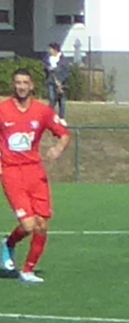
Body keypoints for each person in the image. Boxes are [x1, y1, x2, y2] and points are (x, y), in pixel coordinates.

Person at [0, 68, 69, 284]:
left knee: (42, 224)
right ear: (13, 85)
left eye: (25, 83)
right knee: (28, 225)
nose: (21, 86)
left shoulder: (42, 111)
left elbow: (64, 134)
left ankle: (28, 270)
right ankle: (8, 244)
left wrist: (58, 148)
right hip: (11, 172)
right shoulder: (2, 110)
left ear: (31, 86)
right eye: (18, 82)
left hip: (35, 172)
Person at [43, 42, 69, 117]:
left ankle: (61, 116)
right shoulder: (47, 58)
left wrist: (60, 80)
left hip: (61, 83)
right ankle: (49, 115)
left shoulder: (63, 60)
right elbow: (45, 67)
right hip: (51, 81)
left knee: (62, 100)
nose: (49, 50)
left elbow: (66, 71)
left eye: (50, 49)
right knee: (52, 98)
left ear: (55, 50)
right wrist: (48, 69)